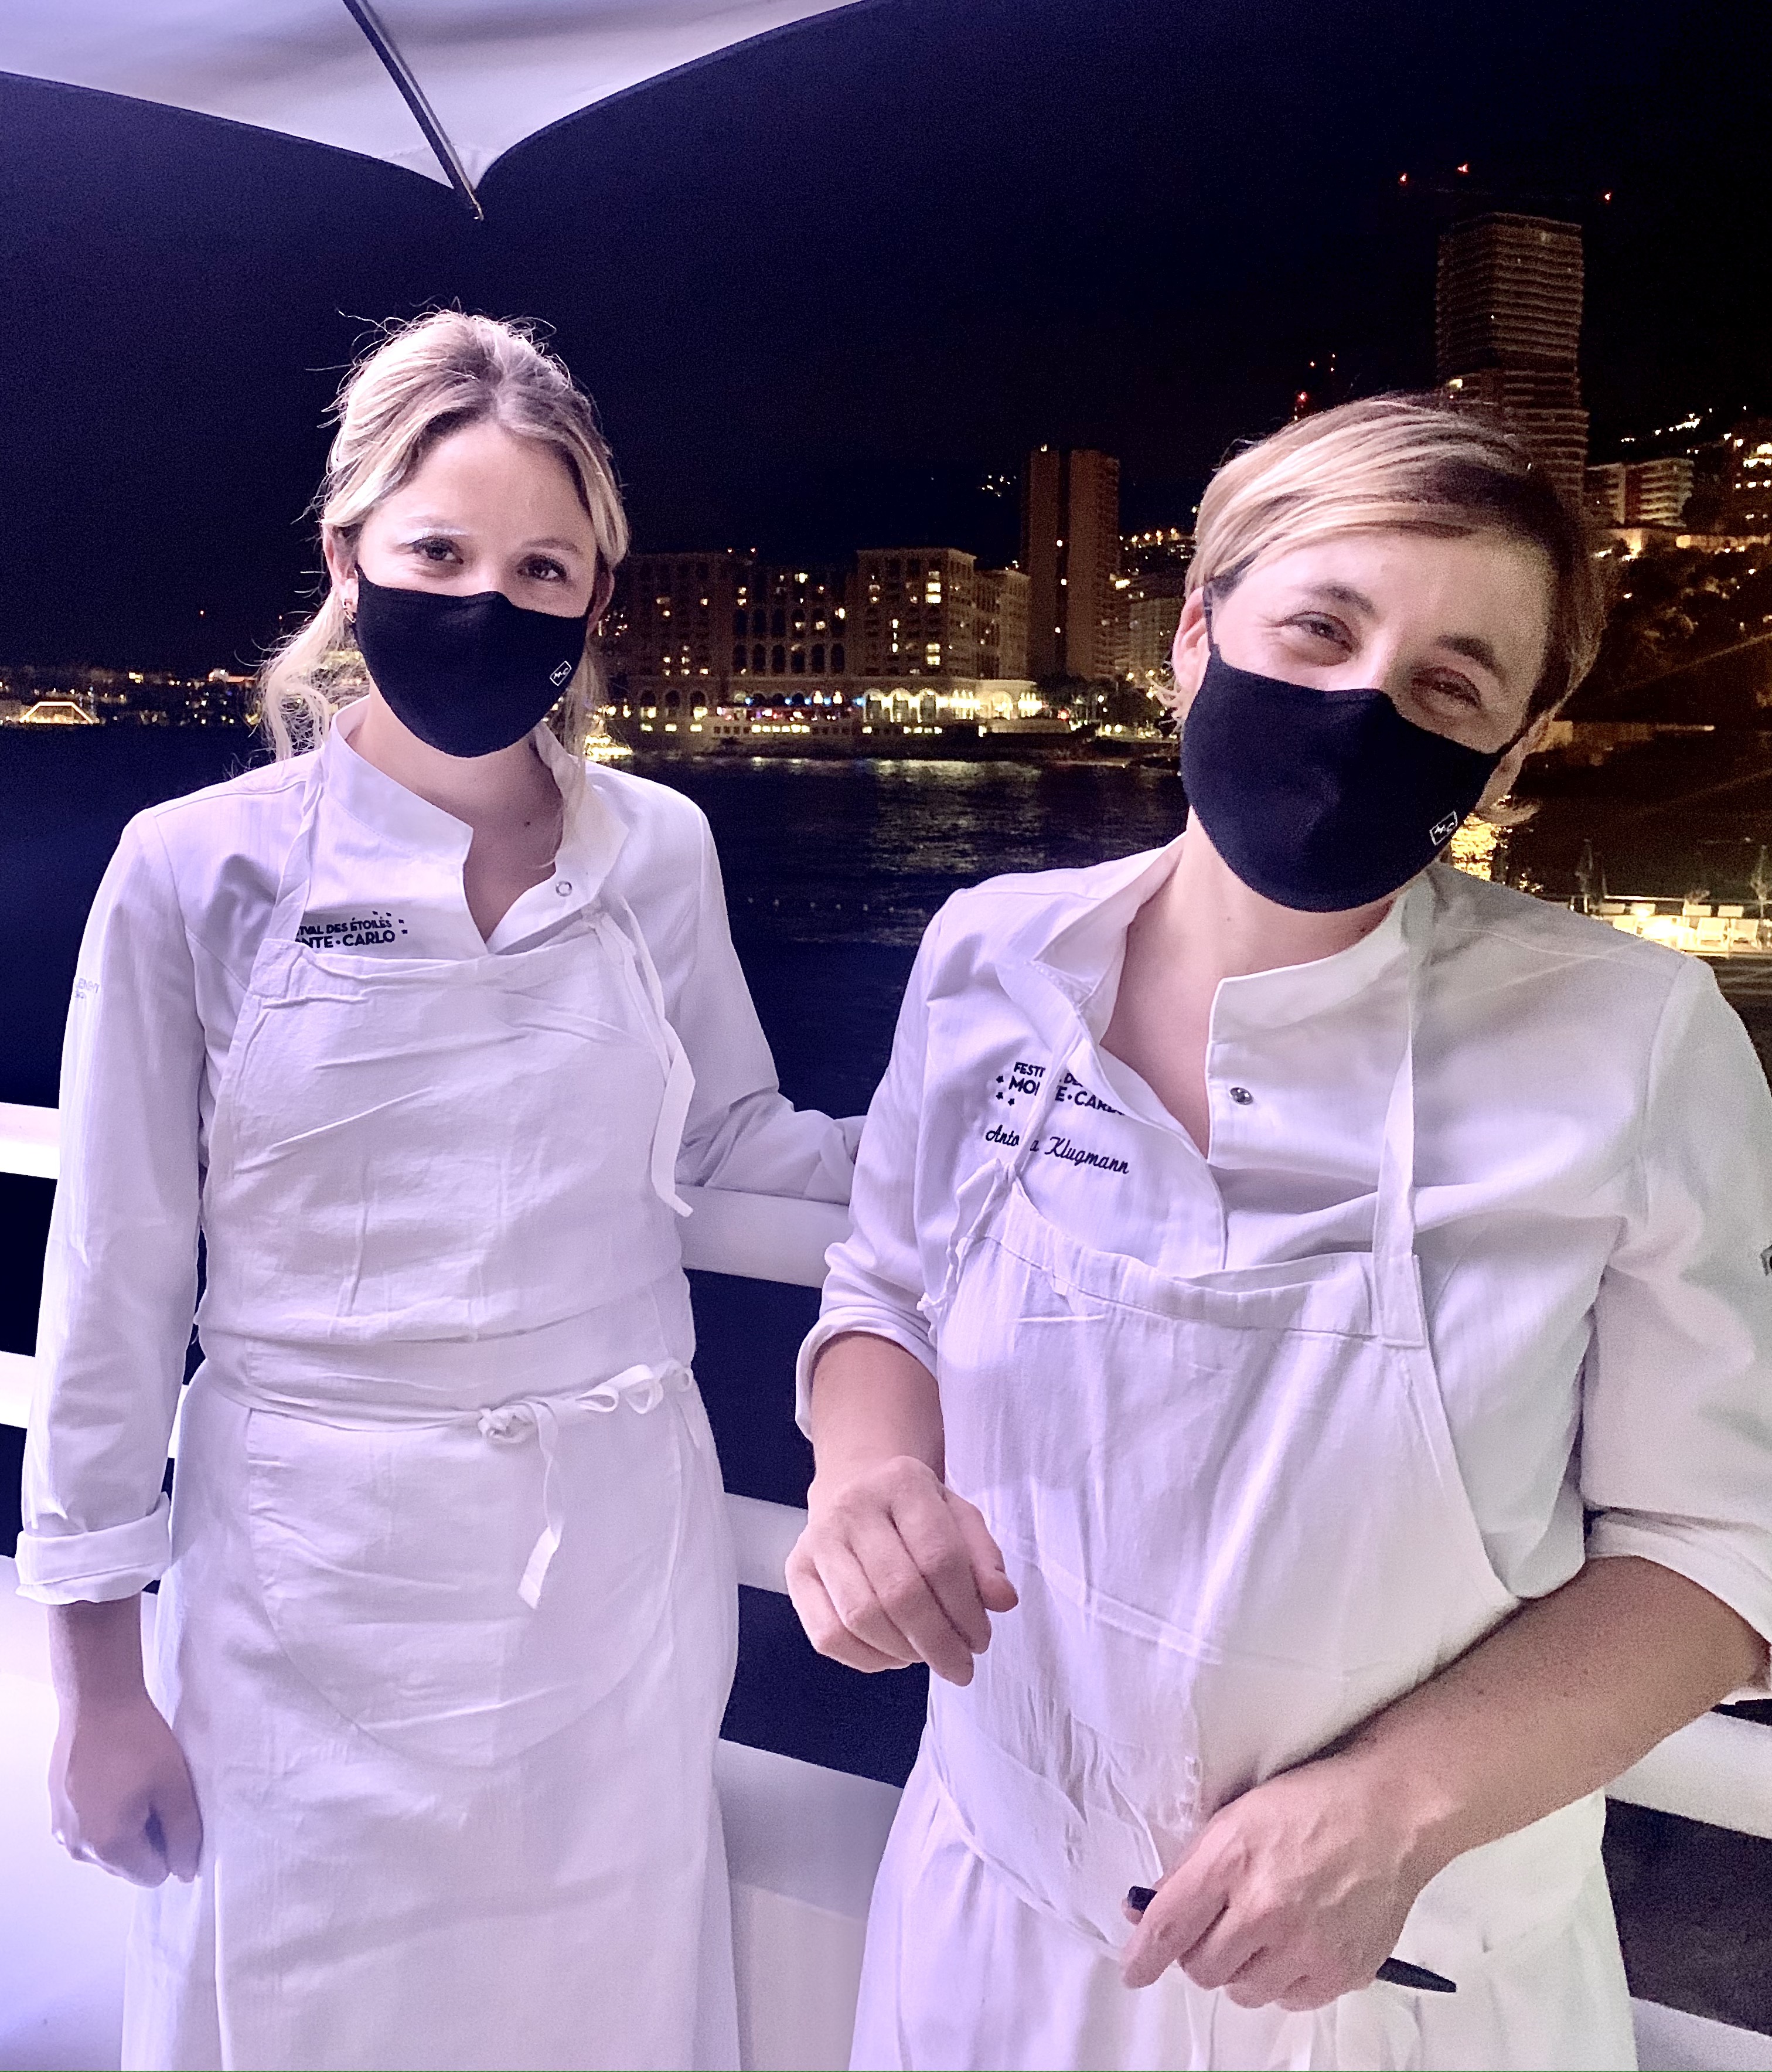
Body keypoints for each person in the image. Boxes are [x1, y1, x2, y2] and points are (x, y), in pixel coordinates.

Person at [788, 395, 1772, 2071]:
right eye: (1319, 628)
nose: (1361, 707)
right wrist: (866, 1472)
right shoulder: (990, 955)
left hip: (1403, 1989)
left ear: (1511, 751)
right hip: (993, 1909)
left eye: (1451, 684)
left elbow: (1718, 1543)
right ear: (1196, 634)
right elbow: (883, 1289)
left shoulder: (1631, 1039)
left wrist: (1393, 1806)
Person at [19, 311, 857, 2072]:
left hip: (613, 1576)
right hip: (303, 1586)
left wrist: (980, 1149)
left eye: (541, 566)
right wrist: (95, 1683)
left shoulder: (659, 848)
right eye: (439, 553)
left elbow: (728, 1139)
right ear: (349, 562)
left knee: (600, 2011)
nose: (490, 598)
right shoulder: (197, 870)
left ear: (595, 597)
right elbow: (112, 1285)